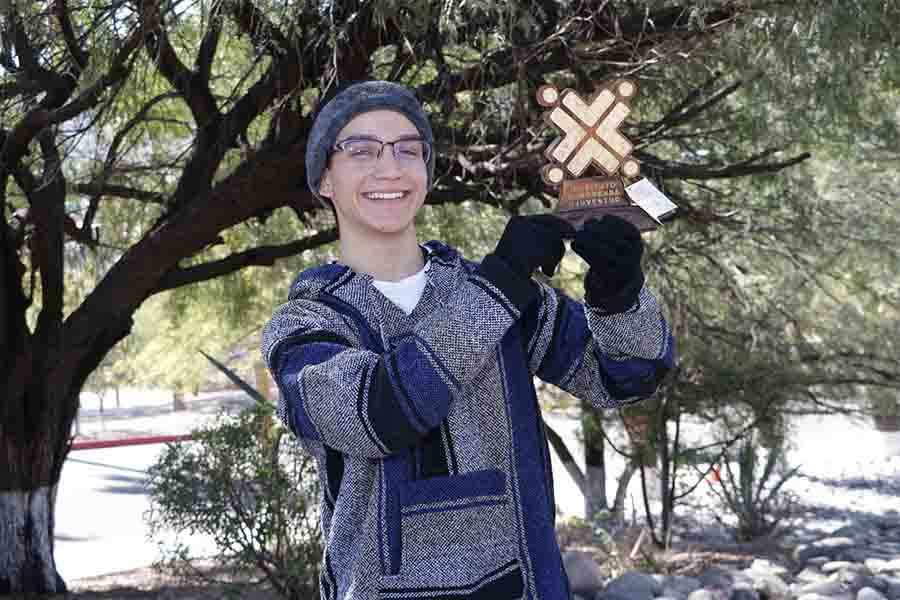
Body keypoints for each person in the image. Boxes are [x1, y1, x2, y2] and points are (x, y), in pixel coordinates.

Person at [262, 80, 674, 600]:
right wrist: (500, 283)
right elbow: (377, 413)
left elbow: (630, 377)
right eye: (361, 150)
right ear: (325, 177)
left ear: (427, 173)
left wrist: (618, 295)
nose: (389, 167)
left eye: (408, 150)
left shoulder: (497, 292)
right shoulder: (306, 323)